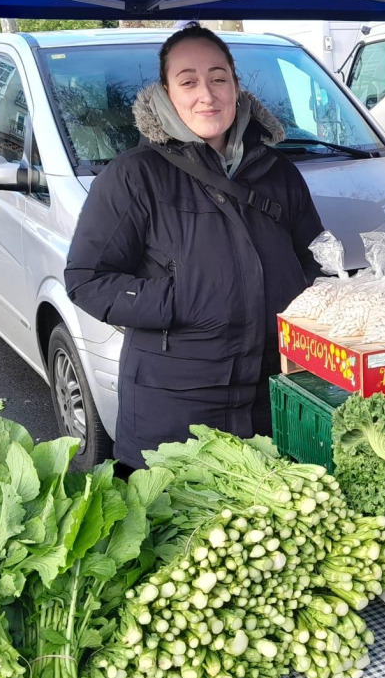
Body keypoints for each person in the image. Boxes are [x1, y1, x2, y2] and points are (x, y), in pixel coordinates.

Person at [65, 25, 324, 469]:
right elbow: (86, 280)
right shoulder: (134, 176)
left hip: (271, 395)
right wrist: (181, 299)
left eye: (218, 77)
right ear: (165, 92)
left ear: (236, 87)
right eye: (188, 80)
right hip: (174, 405)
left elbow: (315, 261)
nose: (207, 94)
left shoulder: (278, 172)